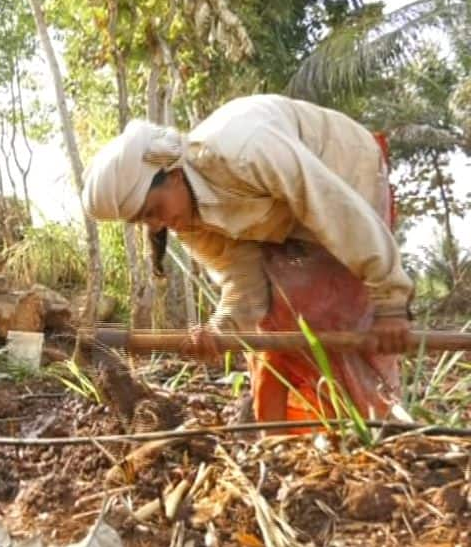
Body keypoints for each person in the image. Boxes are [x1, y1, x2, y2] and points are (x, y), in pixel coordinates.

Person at [81, 94, 414, 425]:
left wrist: (391, 301)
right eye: (144, 221)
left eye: (153, 211)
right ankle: (279, 446)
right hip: (286, 222)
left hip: (345, 173)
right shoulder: (188, 221)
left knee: (337, 316)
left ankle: (379, 428)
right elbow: (245, 286)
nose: (156, 225)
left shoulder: (246, 151)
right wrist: (220, 329)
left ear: (175, 175)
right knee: (273, 329)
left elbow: (335, 210)